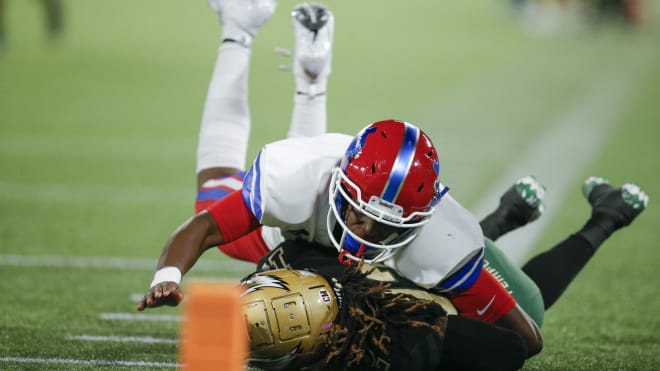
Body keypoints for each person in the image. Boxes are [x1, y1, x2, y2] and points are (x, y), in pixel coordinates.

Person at [135, 0, 647, 361]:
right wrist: (168, 277)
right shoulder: (297, 173)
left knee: (529, 300)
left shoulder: (439, 240)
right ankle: (284, 64)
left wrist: (423, 327)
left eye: (382, 226)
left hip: (427, 254)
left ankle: (589, 218)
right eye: (358, 210)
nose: (363, 230)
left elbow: (526, 339)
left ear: (417, 220)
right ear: (341, 182)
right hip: (310, 231)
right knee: (221, 201)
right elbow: (203, 227)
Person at [242, 175, 649, 370]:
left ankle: (527, 218)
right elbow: (508, 348)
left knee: (523, 306)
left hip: (419, 246)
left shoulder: (293, 252)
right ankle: (605, 217)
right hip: (406, 284)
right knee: (522, 306)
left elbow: (520, 343)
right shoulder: (389, 345)